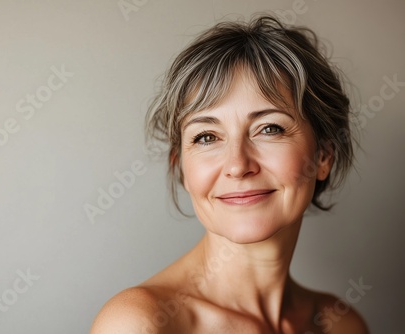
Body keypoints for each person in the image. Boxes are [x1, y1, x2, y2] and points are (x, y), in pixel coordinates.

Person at [91, 15, 368, 333]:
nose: (238, 165)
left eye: (269, 128)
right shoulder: (139, 324)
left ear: (324, 155)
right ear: (180, 166)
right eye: (206, 137)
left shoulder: (341, 325)